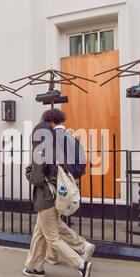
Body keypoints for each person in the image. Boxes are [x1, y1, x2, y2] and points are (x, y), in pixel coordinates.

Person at [23, 122, 92, 277]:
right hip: (54, 198)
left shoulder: (40, 151)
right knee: (39, 234)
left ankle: (81, 265)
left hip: (45, 200)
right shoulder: (55, 151)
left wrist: (28, 172)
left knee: (52, 238)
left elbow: (37, 178)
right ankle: (35, 267)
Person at [41, 109, 94, 266]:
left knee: (50, 220)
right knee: (52, 221)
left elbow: (45, 165)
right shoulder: (72, 138)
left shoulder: (50, 139)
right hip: (69, 184)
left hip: (54, 185)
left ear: (50, 121)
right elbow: (82, 164)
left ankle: (80, 248)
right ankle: (52, 255)